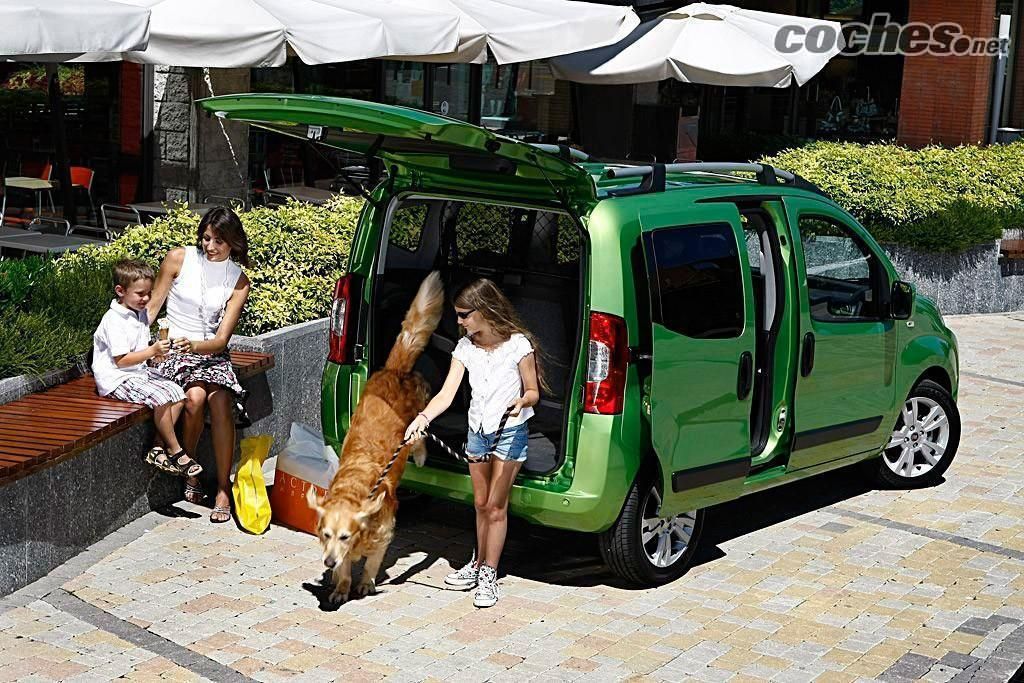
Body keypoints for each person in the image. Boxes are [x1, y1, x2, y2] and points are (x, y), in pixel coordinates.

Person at [404, 278, 546, 608]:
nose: (459, 321)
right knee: (481, 504)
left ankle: (488, 575)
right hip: (477, 434)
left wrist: (523, 401)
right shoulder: (465, 349)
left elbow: (534, 391)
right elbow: (446, 394)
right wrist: (422, 419)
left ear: (484, 311)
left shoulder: (518, 346)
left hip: (509, 433)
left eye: (464, 315)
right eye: (457, 315)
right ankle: (477, 563)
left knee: (496, 507)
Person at [147, 207, 251, 524]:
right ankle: (189, 469)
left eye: (218, 240)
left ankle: (222, 487)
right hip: (173, 348)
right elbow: (151, 309)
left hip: (209, 351)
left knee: (220, 400)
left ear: (233, 242)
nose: (209, 246)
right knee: (195, 398)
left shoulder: (239, 281)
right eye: (206, 238)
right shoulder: (179, 259)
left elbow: (220, 341)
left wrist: (195, 346)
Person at [92, 260, 199, 477]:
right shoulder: (113, 320)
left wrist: (156, 354)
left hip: (137, 372)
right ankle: (176, 450)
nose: (147, 299)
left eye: (149, 293)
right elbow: (121, 361)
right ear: (120, 291)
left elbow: (140, 351)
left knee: (178, 393)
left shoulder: (138, 313)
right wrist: (151, 351)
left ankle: (157, 447)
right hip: (116, 378)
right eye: (140, 294)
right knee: (160, 397)